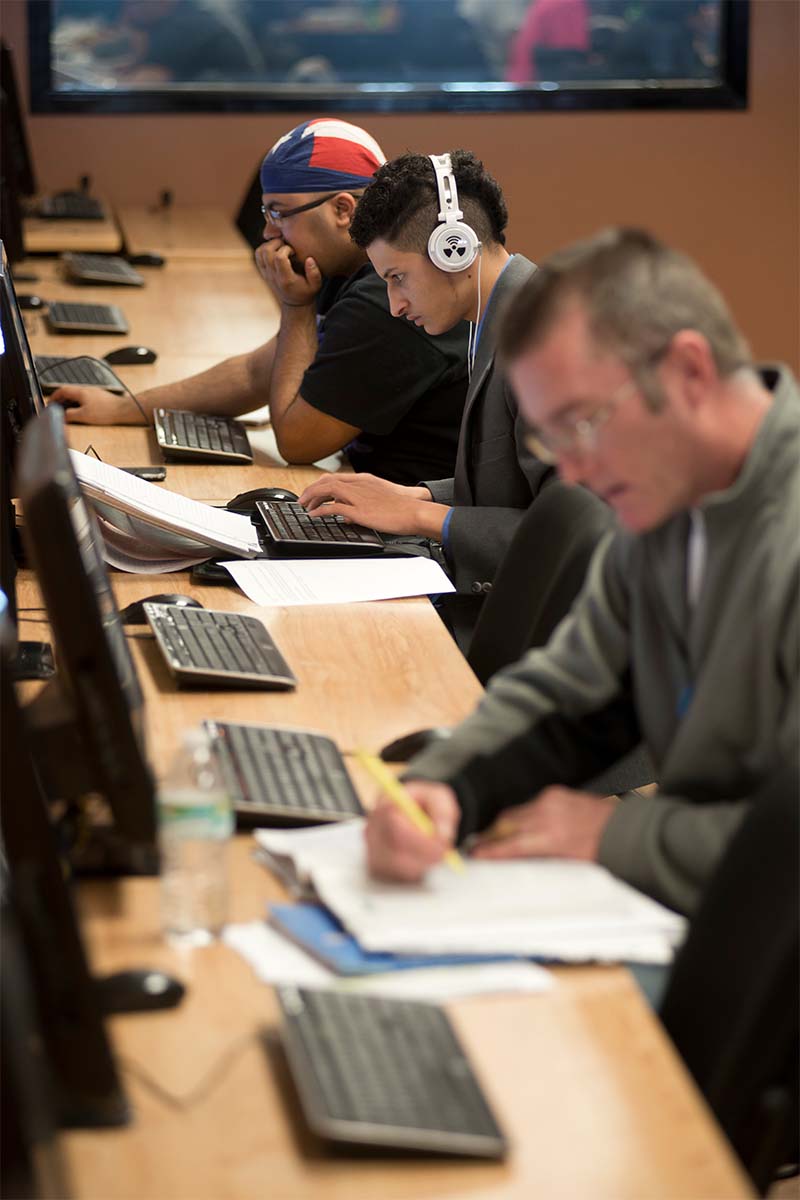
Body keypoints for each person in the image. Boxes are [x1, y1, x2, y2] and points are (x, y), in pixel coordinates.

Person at [364, 227, 799, 916]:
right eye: (548, 437)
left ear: (689, 372)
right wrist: (448, 786)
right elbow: (574, 690)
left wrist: (616, 833)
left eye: (582, 424)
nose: (569, 472)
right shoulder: (670, 503)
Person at [50, 119, 469, 486]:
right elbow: (256, 372)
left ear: (343, 210)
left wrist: (295, 307)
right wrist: (123, 408)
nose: (269, 234)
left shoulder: (385, 299)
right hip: (371, 491)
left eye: (278, 213)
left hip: (416, 535)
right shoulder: (343, 268)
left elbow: (296, 441)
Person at [298, 149, 555, 646]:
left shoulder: (547, 344)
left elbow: (569, 540)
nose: (394, 306)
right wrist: (415, 495)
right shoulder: (500, 319)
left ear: (454, 249)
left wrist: (420, 518)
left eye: (398, 278)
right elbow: (513, 485)